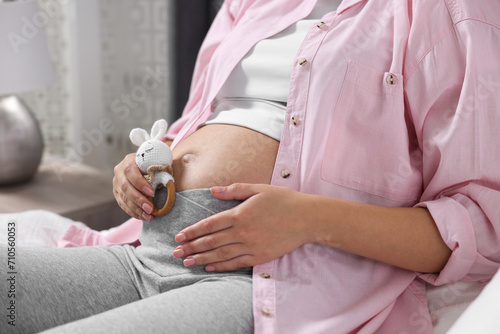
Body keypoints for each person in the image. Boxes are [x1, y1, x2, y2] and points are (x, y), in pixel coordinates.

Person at [1, 0, 500, 333]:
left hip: (267, 283)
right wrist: (146, 165)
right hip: (148, 250)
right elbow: (205, 116)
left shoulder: (450, 12)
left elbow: (484, 226)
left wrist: (309, 219)